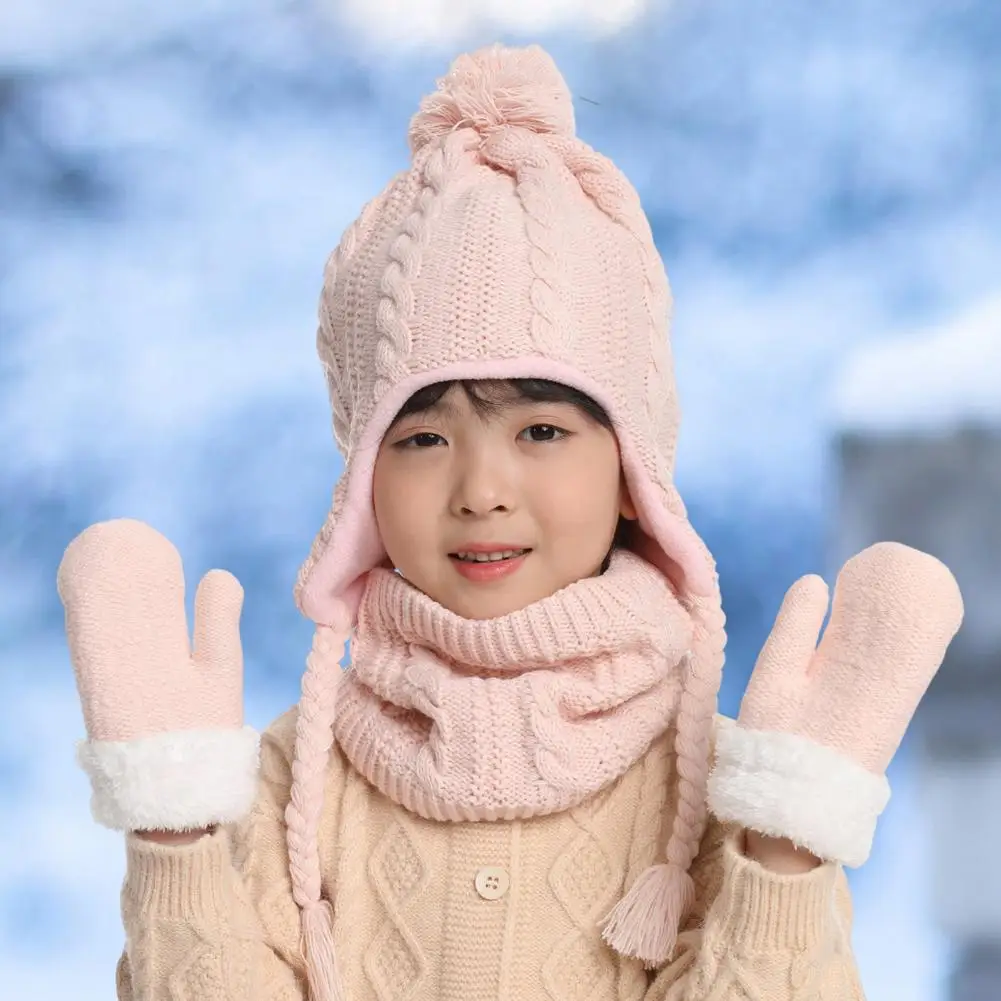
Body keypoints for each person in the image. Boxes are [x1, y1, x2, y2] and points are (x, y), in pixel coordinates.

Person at [56, 44, 963, 1001]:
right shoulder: (293, 784)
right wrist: (174, 836)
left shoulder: (713, 794)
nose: (480, 488)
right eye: (420, 437)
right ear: (361, 481)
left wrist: (782, 851)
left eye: (539, 428)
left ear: (631, 473)